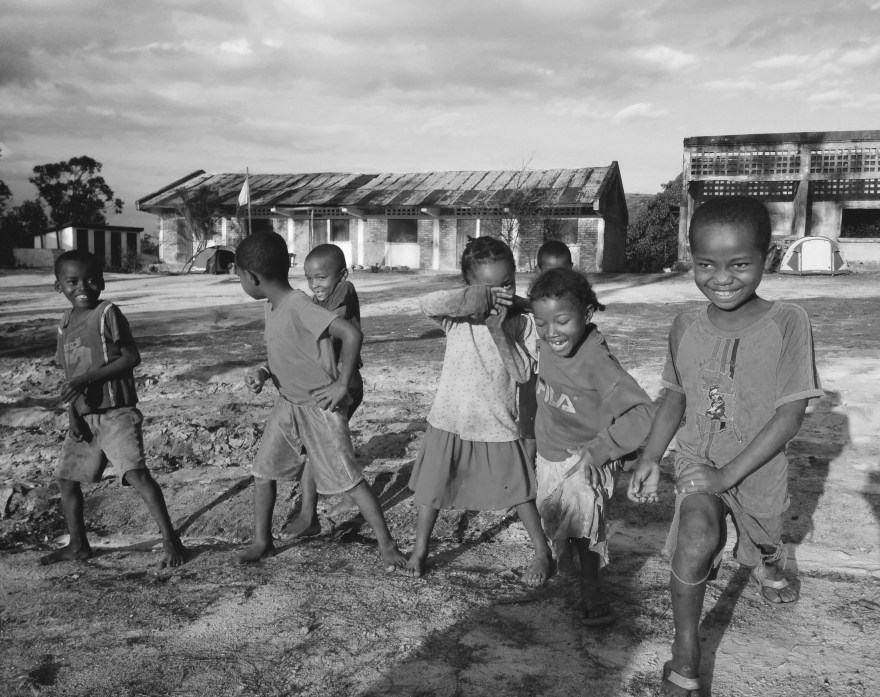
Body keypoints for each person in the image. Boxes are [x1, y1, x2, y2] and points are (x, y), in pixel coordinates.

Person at [628, 196, 823, 696]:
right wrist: (651, 456)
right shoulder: (684, 326)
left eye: (739, 264)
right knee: (696, 537)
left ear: (767, 257)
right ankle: (686, 654)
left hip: (757, 467)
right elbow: (675, 394)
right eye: (706, 264)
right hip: (699, 459)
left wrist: (728, 475)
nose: (722, 278)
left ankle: (767, 563)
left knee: (761, 543)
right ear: (691, 259)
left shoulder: (788, 322)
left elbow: (790, 415)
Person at [234, 232, 406, 571]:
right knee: (262, 471)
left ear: (251, 277)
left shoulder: (299, 306)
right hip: (287, 406)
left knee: (349, 479)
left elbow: (351, 334)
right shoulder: (273, 307)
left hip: (319, 409)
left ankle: (387, 545)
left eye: (238, 275)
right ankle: (262, 541)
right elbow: (291, 352)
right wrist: (263, 372)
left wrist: (342, 384)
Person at [401, 236, 553, 583]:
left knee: (520, 492)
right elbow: (427, 303)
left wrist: (500, 331)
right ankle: (420, 550)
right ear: (469, 287)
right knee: (432, 490)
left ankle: (542, 552)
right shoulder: (456, 319)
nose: (500, 295)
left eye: (507, 284)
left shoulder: (522, 323)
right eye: (489, 289)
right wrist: (473, 300)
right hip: (449, 419)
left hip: (495, 421)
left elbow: (523, 373)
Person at [42, 250, 187, 568]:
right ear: (58, 286)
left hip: (116, 412)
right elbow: (70, 375)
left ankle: (171, 540)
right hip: (85, 417)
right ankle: (78, 545)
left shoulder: (107, 313)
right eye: (72, 282)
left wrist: (88, 378)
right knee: (66, 480)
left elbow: (131, 357)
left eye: (91, 279)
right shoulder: (64, 324)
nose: (83, 287)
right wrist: (73, 415)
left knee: (136, 475)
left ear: (103, 282)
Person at [528, 268, 653, 624]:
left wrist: (601, 449)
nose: (551, 332)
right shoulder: (547, 341)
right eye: (541, 323)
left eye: (562, 321)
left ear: (586, 313)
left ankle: (591, 587)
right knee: (557, 518)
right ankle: (569, 561)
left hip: (587, 458)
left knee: (585, 525)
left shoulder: (596, 360)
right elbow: (538, 314)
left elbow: (643, 412)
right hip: (550, 453)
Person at [292, 244, 363, 535]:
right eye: (309, 278)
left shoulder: (344, 289)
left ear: (342, 274)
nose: (314, 285)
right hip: (332, 383)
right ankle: (338, 499)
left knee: (318, 449)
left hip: (344, 384)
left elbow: (330, 321)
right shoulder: (317, 300)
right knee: (325, 446)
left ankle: (311, 512)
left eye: (321, 277)